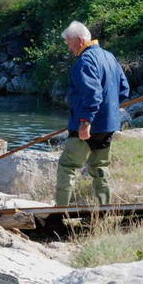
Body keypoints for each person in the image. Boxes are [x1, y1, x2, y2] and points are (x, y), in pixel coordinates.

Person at [56, 21, 130, 206]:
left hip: (86, 125)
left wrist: (85, 122)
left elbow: (92, 93)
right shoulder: (109, 56)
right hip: (108, 125)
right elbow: (124, 89)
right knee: (100, 167)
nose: (68, 47)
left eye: (69, 42)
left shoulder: (85, 61)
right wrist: (109, 110)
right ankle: (104, 209)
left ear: (80, 40)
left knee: (67, 167)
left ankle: (58, 213)